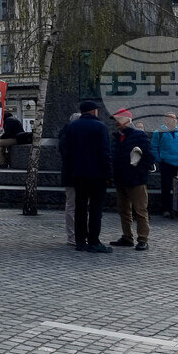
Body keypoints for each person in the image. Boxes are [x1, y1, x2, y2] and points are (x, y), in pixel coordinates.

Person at [60, 101, 113, 254]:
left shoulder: (71, 127)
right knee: (96, 209)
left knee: (80, 208)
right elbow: (105, 153)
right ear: (94, 111)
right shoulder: (100, 127)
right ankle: (94, 241)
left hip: (77, 175)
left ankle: (80, 241)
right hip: (97, 175)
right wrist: (109, 175)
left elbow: (67, 152)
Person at [109, 109, 155, 251]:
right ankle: (127, 237)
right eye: (115, 120)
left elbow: (149, 157)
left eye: (119, 120)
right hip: (121, 178)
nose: (116, 123)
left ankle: (142, 239)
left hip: (136, 179)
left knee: (140, 210)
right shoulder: (117, 137)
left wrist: (138, 170)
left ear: (127, 120)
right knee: (124, 210)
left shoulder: (139, 135)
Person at [152, 112, 178, 218]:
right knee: (166, 187)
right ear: (165, 120)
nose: (173, 120)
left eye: (175, 119)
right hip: (166, 163)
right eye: (171, 119)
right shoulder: (158, 132)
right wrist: (159, 158)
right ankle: (166, 209)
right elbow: (154, 146)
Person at [58, 112, 81, 246]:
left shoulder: (65, 134)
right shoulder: (69, 135)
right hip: (75, 174)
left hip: (71, 174)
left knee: (72, 205)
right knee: (73, 204)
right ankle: (73, 235)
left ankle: (73, 235)